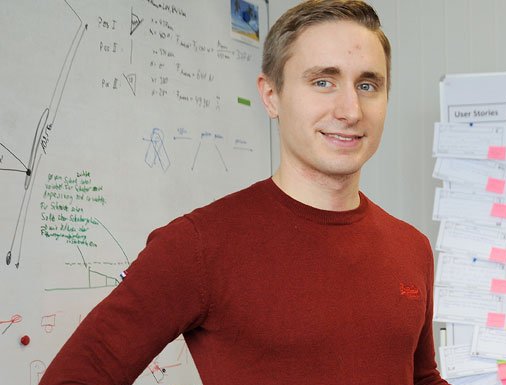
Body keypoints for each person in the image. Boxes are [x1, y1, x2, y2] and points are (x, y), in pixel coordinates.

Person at [39, 1, 449, 384]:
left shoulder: (411, 247)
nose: (350, 110)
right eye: (323, 81)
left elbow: (422, 378)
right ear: (271, 96)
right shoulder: (197, 245)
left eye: (368, 85)